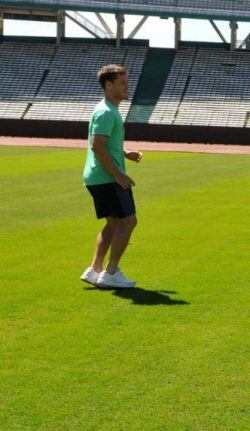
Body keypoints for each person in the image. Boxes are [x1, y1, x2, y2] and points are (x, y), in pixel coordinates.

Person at [79, 65, 142, 289]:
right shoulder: (106, 111)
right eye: (122, 82)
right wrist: (119, 175)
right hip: (107, 177)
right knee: (129, 221)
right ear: (109, 85)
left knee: (113, 223)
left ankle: (95, 270)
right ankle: (111, 272)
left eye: (128, 81)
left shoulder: (107, 109)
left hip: (97, 177)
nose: (128, 86)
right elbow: (97, 146)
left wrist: (126, 153)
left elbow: (105, 144)